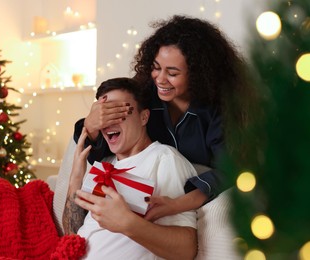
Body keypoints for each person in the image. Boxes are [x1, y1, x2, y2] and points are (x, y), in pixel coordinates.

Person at [73, 15, 259, 221]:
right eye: (155, 67)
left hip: (185, 200)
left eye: (172, 73)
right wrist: (91, 125)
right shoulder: (144, 93)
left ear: (198, 74)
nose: (160, 79)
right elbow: (109, 143)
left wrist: (177, 204)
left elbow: (231, 169)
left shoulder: (221, 109)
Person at [63, 77, 198, 259]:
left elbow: (186, 250)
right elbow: (72, 236)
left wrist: (129, 224)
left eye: (118, 111)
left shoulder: (164, 159)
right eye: (104, 113)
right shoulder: (106, 164)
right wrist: (75, 179)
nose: (108, 122)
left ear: (144, 117)